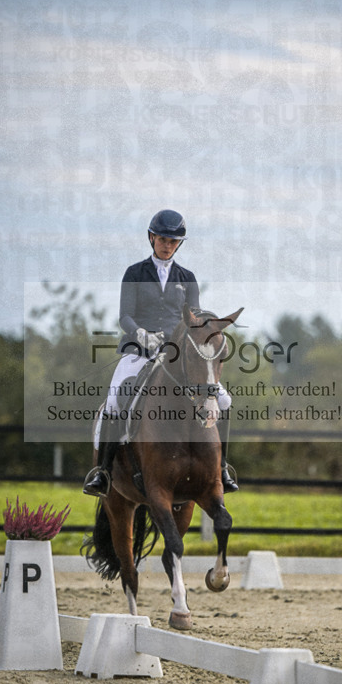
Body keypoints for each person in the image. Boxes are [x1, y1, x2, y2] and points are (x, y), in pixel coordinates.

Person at [83, 208, 238, 496]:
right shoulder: (134, 273)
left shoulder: (187, 277)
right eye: (164, 239)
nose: (168, 245)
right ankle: (103, 472)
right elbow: (124, 316)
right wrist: (141, 333)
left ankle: (222, 469)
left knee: (223, 400)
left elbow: (192, 319)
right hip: (138, 350)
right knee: (116, 399)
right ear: (152, 237)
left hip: (177, 355)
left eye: (174, 241)